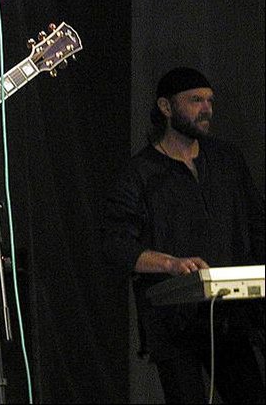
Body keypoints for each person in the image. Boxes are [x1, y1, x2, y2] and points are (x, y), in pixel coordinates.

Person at [103, 66, 265, 403]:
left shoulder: (226, 160)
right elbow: (116, 244)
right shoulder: (139, 173)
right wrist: (171, 264)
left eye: (209, 101)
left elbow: (255, 225)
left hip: (230, 317)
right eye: (195, 100)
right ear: (166, 107)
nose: (206, 109)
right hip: (175, 323)